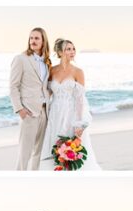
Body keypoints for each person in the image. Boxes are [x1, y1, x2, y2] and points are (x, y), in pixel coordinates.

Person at [39, 38, 101, 170]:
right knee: (55, 147)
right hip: (55, 114)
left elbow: (80, 99)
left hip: (71, 114)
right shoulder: (52, 71)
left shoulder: (78, 72)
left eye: (73, 49)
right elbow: (48, 93)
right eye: (68, 49)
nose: (72, 52)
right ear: (60, 52)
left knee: (71, 149)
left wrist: (79, 123)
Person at [10, 28, 52, 170]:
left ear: (43, 41)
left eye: (36, 38)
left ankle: (34, 181)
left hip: (44, 113)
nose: (33, 41)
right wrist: (19, 109)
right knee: (24, 154)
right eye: (31, 38)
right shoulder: (20, 59)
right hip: (28, 113)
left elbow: (45, 86)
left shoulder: (47, 62)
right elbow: (13, 86)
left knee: (39, 154)